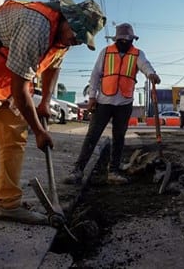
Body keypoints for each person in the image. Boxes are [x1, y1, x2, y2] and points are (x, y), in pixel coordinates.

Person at [0, 0, 106, 244]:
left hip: (1, 82)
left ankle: (8, 204)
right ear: (67, 19)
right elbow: (20, 90)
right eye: (77, 34)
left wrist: (45, 102)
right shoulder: (36, 25)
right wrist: (39, 130)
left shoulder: (62, 39)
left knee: (14, 139)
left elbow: (52, 67)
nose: (77, 41)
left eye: (83, 38)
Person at [64, 23, 160, 185]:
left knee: (119, 138)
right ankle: (77, 170)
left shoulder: (137, 54)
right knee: (92, 136)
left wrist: (152, 74)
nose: (124, 42)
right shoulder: (106, 52)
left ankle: (113, 171)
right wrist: (92, 97)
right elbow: (95, 75)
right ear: (116, 39)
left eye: (127, 40)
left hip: (124, 102)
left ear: (131, 40)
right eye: (121, 40)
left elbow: (145, 66)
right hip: (103, 102)